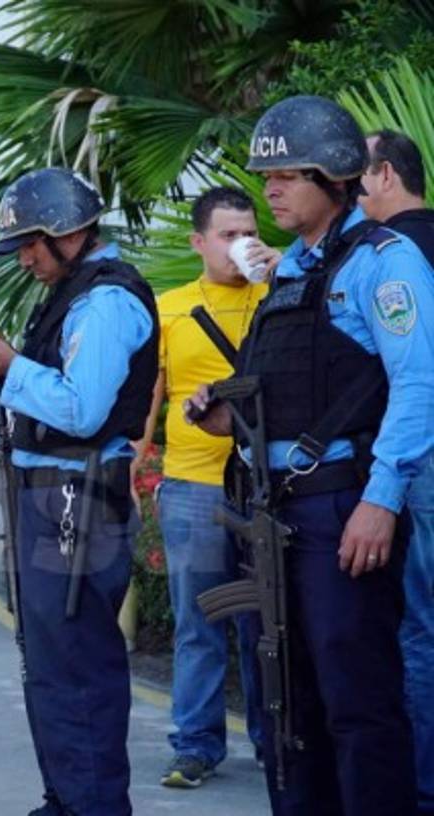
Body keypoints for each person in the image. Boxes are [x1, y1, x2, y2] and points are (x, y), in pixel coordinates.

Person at [188, 95, 433, 816]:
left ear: (335, 178)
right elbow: (296, 380)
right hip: (276, 513)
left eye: (288, 174)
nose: (271, 189)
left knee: (357, 703)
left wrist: (381, 500)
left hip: (341, 507)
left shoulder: (385, 264)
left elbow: (419, 384)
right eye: (267, 176)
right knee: (287, 708)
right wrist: (228, 410)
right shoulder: (290, 271)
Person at [0, 167, 159, 816]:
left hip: (79, 497)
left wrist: (9, 366)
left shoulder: (105, 302)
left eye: (33, 243)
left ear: (69, 232)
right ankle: (68, 797)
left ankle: (93, 804)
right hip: (53, 496)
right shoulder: (73, 292)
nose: (25, 258)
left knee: (76, 664)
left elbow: (83, 410)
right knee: (47, 661)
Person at [136, 186, 272, 787]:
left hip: (268, 488)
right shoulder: (168, 309)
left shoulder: (280, 295)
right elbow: (148, 398)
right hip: (194, 485)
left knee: (267, 625)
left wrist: (281, 273)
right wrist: (134, 466)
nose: (240, 243)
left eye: (248, 231)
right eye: (227, 234)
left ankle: (276, 743)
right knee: (200, 622)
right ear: (198, 242)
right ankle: (195, 745)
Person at [359, 128, 434, 816]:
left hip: (419, 462)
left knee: (419, 630)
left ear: (384, 175)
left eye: (355, 175)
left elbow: (414, 382)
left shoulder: (394, 257)